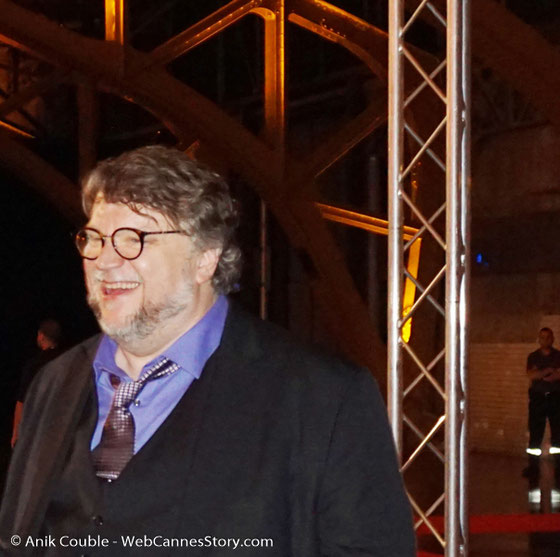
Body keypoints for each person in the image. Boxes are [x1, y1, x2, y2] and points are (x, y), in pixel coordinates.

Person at [0, 146, 415, 556]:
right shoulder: (54, 384)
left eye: (134, 239)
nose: (104, 260)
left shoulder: (324, 399)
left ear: (205, 259)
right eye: (94, 238)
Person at [10, 318, 63, 447]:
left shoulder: (34, 365)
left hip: (37, 427)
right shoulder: (67, 362)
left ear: (41, 335)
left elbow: (21, 402)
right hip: (60, 426)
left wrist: (16, 433)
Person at [525, 327, 560, 464]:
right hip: (537, 397)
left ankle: (559, 463)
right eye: (542, 337)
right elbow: (531, 375)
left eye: (548, 337)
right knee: (535, 428)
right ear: (539, 339)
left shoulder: (559, 356)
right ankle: (533, 463)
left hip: (554, 396)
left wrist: (541, 373)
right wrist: (549, 371)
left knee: (557, 427)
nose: (545, 340)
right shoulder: (533, 357)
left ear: (552, 339)